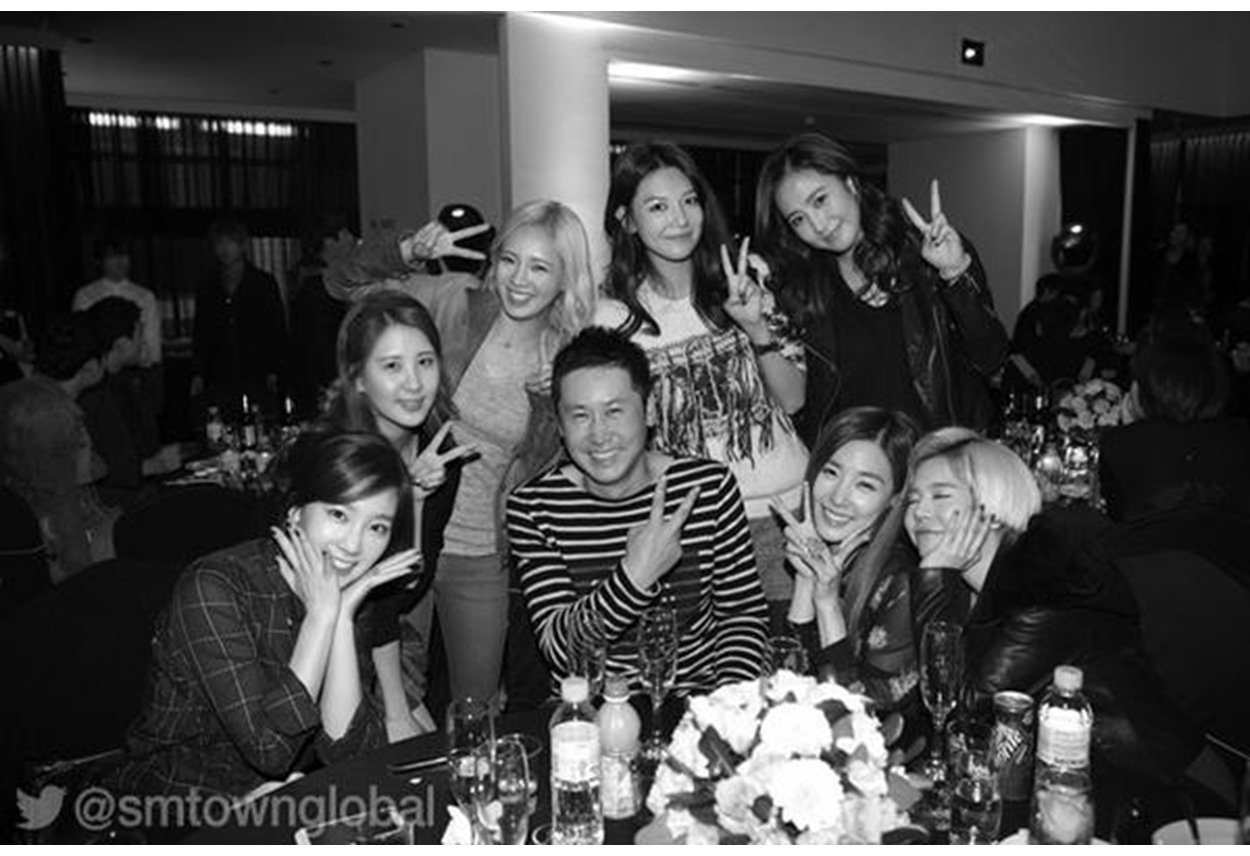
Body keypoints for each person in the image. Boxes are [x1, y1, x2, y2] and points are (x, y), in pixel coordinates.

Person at [324, 200, 597, 710]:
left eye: (540, 267)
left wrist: (555, 401)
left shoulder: (566, 359)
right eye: (510, 259)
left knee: (476, 706)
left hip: (479, 553)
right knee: (389, 697)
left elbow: (566, 474)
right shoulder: (454, 302)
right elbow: (344, 286)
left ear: (565, 279)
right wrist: (406, 251)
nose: (519, 279)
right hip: (400, 530)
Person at [106, 430, 421, 798]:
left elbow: (350, 754)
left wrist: (341, 618)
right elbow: (271, 750)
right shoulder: (216, 587)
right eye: (338, 514)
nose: (354, 545)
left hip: (283, 792)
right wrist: (321, 618)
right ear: (296, 513)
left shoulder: (348, 591)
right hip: (177, 796)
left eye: (377, 527)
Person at [904, 427, 1202, 786]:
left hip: (1160, 788)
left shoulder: (1047, 586)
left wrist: (931, 576)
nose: (919, 512)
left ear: (992, 510)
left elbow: (963, 714)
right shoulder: (967, 584)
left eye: (940, 495)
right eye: (913, 499)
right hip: (1069, 781)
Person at [597, 141, 809, 628]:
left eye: (689, 201)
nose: (679, 219)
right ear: (627, 220)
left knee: (788, 662)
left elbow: (794, 400)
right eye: (657, 206)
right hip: (693, 528)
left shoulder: (750, 280)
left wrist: (756, 328)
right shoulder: (610, 318)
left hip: (785, 515)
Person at [507, 327, 769, 695]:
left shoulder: (707, 488)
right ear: (560, 426)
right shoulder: (534, 506)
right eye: (580, 416)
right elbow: (560, 651)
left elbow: (741, 617)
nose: (599, 434)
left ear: (648, 410)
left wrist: (729, 706)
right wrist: (635, 577)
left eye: (614, 411)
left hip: (698, 700)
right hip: (588, 707)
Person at [754, 132, 1008, 442]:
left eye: (820, 200)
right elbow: (801, 402)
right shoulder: (803, 287)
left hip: (935, 458)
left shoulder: (927, 255)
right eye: (798, 219)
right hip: (854, 464)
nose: (818, 225)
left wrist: (954, 274)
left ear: (851, 183)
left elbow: (991, 358)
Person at [319, 291, 466, 741]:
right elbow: (365, 599)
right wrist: (398, 710)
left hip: (381, 634)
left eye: (425, 362)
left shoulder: (438, 456)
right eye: (392, 366)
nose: (414, 383)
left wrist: (415, 500)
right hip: (317, 635)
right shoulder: (341, 462)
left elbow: (404, 588)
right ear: (358, 378)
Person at [774, 407, 922, 720]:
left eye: (864, 485)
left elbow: (861, 716)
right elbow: (789, 686)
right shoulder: (829, 554)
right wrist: (805, 582)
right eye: (830, 472)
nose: (838, 497)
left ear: (895, 498)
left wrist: (827, 604)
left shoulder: (903, 580)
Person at [1099, 319, 1250, 522]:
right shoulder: (1240, 435)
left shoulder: (1121, 444)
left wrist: (1131, 426)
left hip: (1146, 541)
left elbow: (1119, 517)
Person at [0, 314, 111, 582]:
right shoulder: (52, 416)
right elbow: (62, 502)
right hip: (51, 549)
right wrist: (85, 578)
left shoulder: (12, 393)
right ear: (90, 366)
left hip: (19, 538)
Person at [190, 215, 289, 420]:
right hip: (220, 372)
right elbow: (201, 333)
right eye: (219, 243)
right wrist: (198, 372)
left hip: (257, 369)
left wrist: (274, 369)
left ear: (243, 245)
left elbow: (276, 328)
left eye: (230, 242)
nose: (224, 249)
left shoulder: (263, 282)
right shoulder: (207, 287)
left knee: (260, 422)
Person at [79, 297, 175, 507]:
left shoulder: (124, 380)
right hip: (118, 502)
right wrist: (149, 466)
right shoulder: (94, 392)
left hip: (139, 490)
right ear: (122, 344)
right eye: (139, 335)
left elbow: (151, 435)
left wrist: (148, 371)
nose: (144, 342)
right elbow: (105, 467)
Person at [73, 235, 162, 369]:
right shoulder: (85, 295)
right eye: (112, 256)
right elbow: (80, 342)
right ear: (99, 261)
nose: (120, 261)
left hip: (138, 371)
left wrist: (151, 365)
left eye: (124, 255)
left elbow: (153, 343)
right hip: (97, 373)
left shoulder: (145, 296)